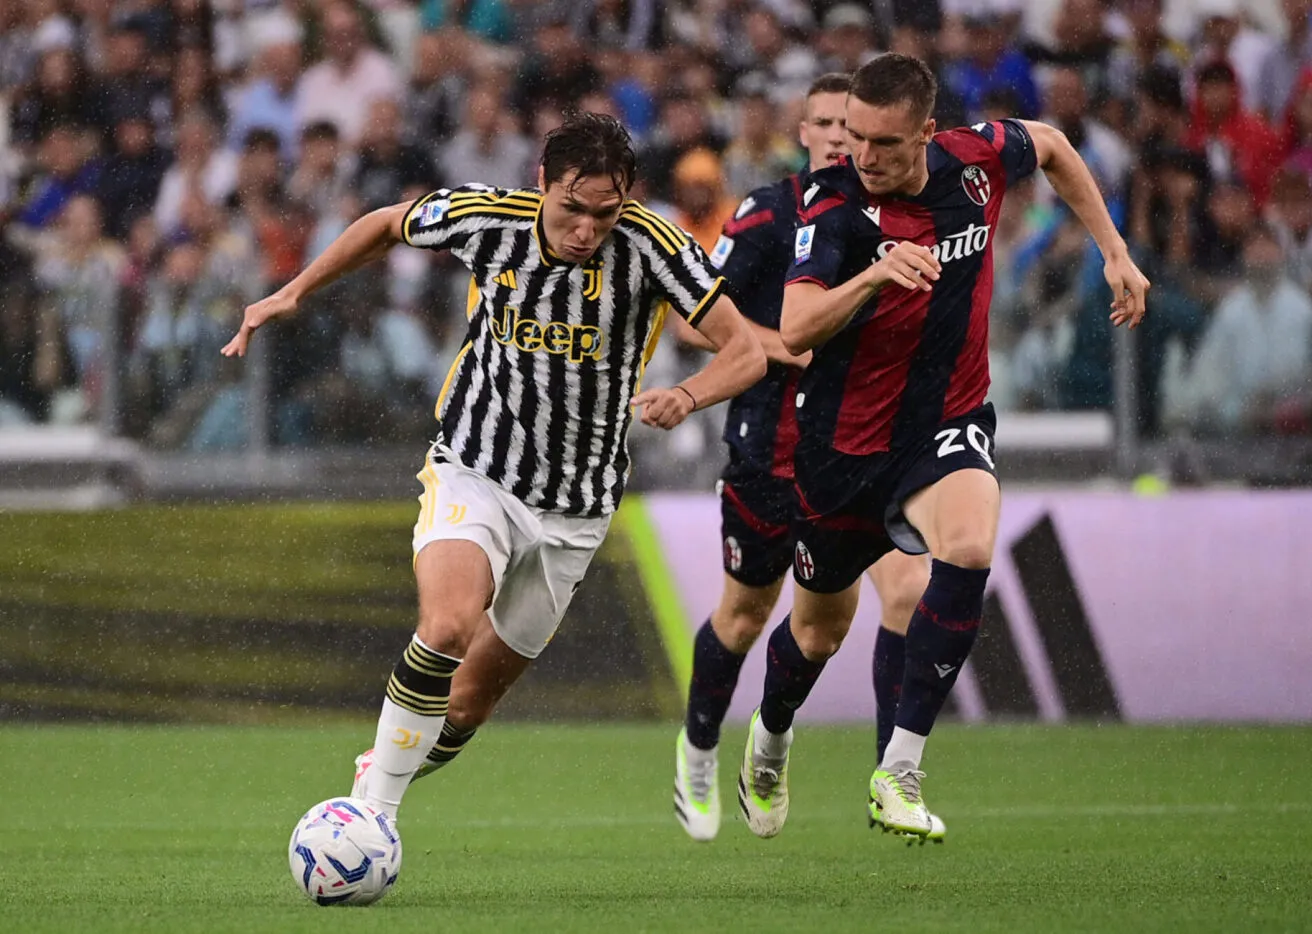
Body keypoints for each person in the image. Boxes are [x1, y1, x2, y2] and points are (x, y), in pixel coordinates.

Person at [221, 112, 766, 828]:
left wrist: (689, 395)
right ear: (541, 182)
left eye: (604, 213)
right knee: (447, 626)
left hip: (577, 508)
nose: (585, 230)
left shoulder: (652, 245)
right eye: (571, 208)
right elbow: (387, 223)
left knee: (470, 705)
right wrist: (297, 288)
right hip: (476, 469)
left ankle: (383, 771)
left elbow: (746, 351)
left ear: (626, 198)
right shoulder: (489, 218)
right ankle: (369, 818)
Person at [736, 54, 1148, 844]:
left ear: (928, 132)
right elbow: (794, 328)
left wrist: (1114, 251)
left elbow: (1056, 145)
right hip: (842, 451)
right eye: (854, 136)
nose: (864, 155)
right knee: (817, 634)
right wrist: (873, 279)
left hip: (944, 425)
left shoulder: (975, 159)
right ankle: (772, 732)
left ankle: (900, 768)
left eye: (885, 142)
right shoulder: (833, 205)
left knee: (967, 543)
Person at [671, 73, 933, 843]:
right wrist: (787, 348)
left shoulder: (900, 211)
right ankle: (698, 745)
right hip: (769, 448)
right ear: (804, 131)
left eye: (845, 124)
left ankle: (884, 770)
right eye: (821, 123)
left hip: (864, 451)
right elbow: (692, 319)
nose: (836, 137)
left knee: (897, 594)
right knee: (747, 613)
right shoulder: (767, 212)